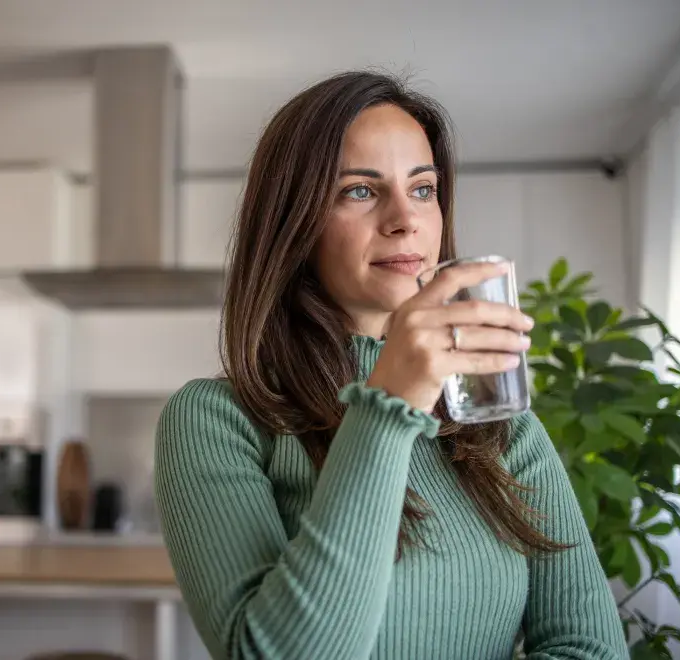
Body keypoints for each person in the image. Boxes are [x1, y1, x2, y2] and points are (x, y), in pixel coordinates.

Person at [153, 71, 627, 659]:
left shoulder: (500, 423)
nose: (406, 219)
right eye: (359, 190)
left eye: (423, 189)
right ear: (293, 221)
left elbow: (592, 650)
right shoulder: (219, 420)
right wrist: (389, 406)